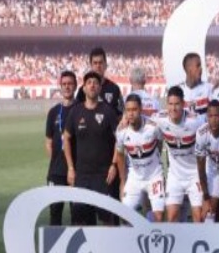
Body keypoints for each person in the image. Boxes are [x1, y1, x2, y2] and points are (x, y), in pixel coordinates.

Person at [63, 71, 119, 226]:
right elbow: (66, 138)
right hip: (81, 176)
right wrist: (70, 168)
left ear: (100, 87)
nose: (92, 85)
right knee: (81, 222)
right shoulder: (76, 111)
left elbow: (119, 140)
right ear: (84, 88)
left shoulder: (108, 111)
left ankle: (109, 250)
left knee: (108, 221)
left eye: (95, 82)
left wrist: (114, 165)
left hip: (103, 177)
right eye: (89, 83)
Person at [154, 86, 205, 223]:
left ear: (183, 104)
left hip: (195, 174)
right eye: (170, 104)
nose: (173, 108)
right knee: (171, 218)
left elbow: (212, 125)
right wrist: (124, 119)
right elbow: (142, 120)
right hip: (175, 175)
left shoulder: (195, 121)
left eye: (177, 104)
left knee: (198, 218)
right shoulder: (160, 119)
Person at [114, 94, 165, 222]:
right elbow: (120, 154)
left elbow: (159, 143)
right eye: (128, 110)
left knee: (158, 217)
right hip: (134, 178)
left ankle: (150, 236)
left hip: (154, 176)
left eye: (134, 110)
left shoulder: (153, 127)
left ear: (140, 109)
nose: (131, 114)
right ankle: (132, 240)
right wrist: (122, 181)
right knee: (125, 216)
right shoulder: (121, 132)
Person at [44, 70, 77, 225]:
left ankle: (78, 249)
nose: (67, 87)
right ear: (60, 87)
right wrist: (57, 162)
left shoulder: (81, 109)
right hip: (56, 172)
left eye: (70, 84)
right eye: (64, 84)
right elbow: (49, 141)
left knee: (78, 215)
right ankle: (54, 250)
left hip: (77, 171)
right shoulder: (53, 112)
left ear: (76, 86)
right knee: (55, 214)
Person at [75, 47, 123, 115]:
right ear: (91, 65)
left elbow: (122, 114)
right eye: (95, 63)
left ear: (105, 65)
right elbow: (76, 113)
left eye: (100, 63)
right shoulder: (83, 90)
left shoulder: (114, 89)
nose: (98, 66)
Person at [179, 52, 214, 121]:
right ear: (189, 69)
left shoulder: (209, 88)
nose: (201, 69)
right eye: (198, 65)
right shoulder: (178, 91)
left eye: (200, 66)